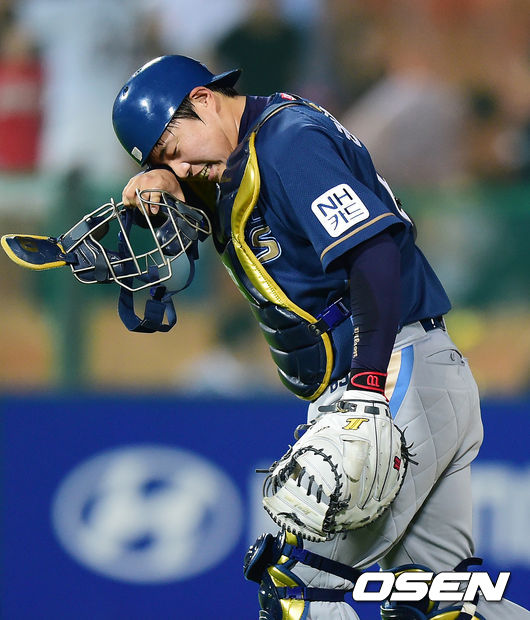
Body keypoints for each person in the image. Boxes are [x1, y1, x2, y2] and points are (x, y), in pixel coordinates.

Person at [111, 55, 528, 620]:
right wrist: (162, 179)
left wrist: (367, 389)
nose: (181, 167)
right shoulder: (245, 147)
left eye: (174, 148)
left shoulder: (288, 141)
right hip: (416, 369)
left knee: (298, 587)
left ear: (204, 99)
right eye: (165, 160)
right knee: (438, 603)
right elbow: (232, 196)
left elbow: (373, 251)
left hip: (388, 371)